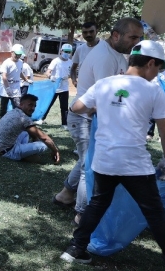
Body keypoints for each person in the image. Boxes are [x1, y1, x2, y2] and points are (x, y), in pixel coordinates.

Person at [60, 40, 165, 271]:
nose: (158, 74)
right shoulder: (153, 90)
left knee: (97, 203)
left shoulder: (105, 84)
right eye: (158, 68)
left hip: (104, 161)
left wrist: (97, 109)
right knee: (155, 212)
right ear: (150, 63)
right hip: (133, 164)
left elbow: (76, 106)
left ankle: (75, 249)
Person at [52, 18, 143, 219]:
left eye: (140, 38)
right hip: (84, 117)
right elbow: (104, 98)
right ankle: (82, 215)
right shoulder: (105, 58)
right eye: (133, 37)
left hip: (91, 117)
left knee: (86, 161)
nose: (136, 42)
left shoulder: (118, 54)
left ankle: (65, 194)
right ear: (116, 35)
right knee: (90, 166)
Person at [0, 93, 60, 163]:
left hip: (0, 148)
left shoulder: (13, 111)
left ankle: (25, 152)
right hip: (8, 152)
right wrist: (55, 150)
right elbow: (44, 138)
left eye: (34, 106)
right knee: (43, 145)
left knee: (25, 133)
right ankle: (22, 154)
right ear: (21, 104)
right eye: (30, 105)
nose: (33, 108)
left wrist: (34, 139)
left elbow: (33, 132)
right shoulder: (24, 118)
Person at [40, 43, 73, 129]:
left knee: (64, 107)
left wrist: (68, 76)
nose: (67, 53)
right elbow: (48, 71)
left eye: (69, 52)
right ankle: (41, 119)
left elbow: (71, 74)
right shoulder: (56, 61)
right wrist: (51, 76)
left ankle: (64, 124)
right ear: (61, 51)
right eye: (66, 51)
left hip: (64, 87)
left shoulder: (71, 62)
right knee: (48, 104)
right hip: (54, 87)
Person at [0, 44, 30, 119]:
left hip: (16, 89)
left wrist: (26, 79)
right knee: (3, 108)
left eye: (19, 54)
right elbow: (4, 76)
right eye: (16, 54)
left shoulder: (20, 62)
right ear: (12, 52)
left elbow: (19, 72)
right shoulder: (6, 62)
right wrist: (8, 88)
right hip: (6, 89)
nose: (18, 56)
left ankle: (18, 122)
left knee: (18, 107)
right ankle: (1, 121)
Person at [70, 21, 103, 88]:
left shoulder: (105, 47)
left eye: (91, 31)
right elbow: (73, 69)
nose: (88, 34)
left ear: (96, 31)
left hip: (100, 91)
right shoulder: (80, 49)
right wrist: (74, 81)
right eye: (85, 32)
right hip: (83, 91)